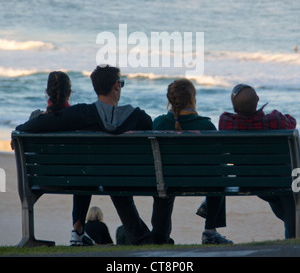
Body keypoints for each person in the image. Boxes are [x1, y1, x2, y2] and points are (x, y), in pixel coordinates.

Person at [16, 65, 174, 246]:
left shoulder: (82, 113)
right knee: (124, 182)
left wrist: (19, 131)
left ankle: (143, 238)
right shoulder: (139, 117)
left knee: (112, 180)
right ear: (116, 86)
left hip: (101, 178)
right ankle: (151, 237)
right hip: (135, 178)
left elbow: (43, 123)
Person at [153, 79, 232, 245]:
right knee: (220, 173)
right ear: (192, 99)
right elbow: (218, 161)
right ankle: (210, 231)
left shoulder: (158, 123)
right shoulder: (206, 126)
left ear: (170, 100)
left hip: (166, 183)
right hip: (204, 183)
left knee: (162, 176)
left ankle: (159, 235)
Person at [219, 83, 297, 239]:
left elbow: (229, 118)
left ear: (235, 109)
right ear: (258, 100)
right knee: (287, 197)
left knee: (281, 200)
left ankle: (294, 235)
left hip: (247, 181)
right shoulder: (275, 120)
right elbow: (292, 121)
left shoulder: (226, 123)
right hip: (278, 180)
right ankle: (293, 240)